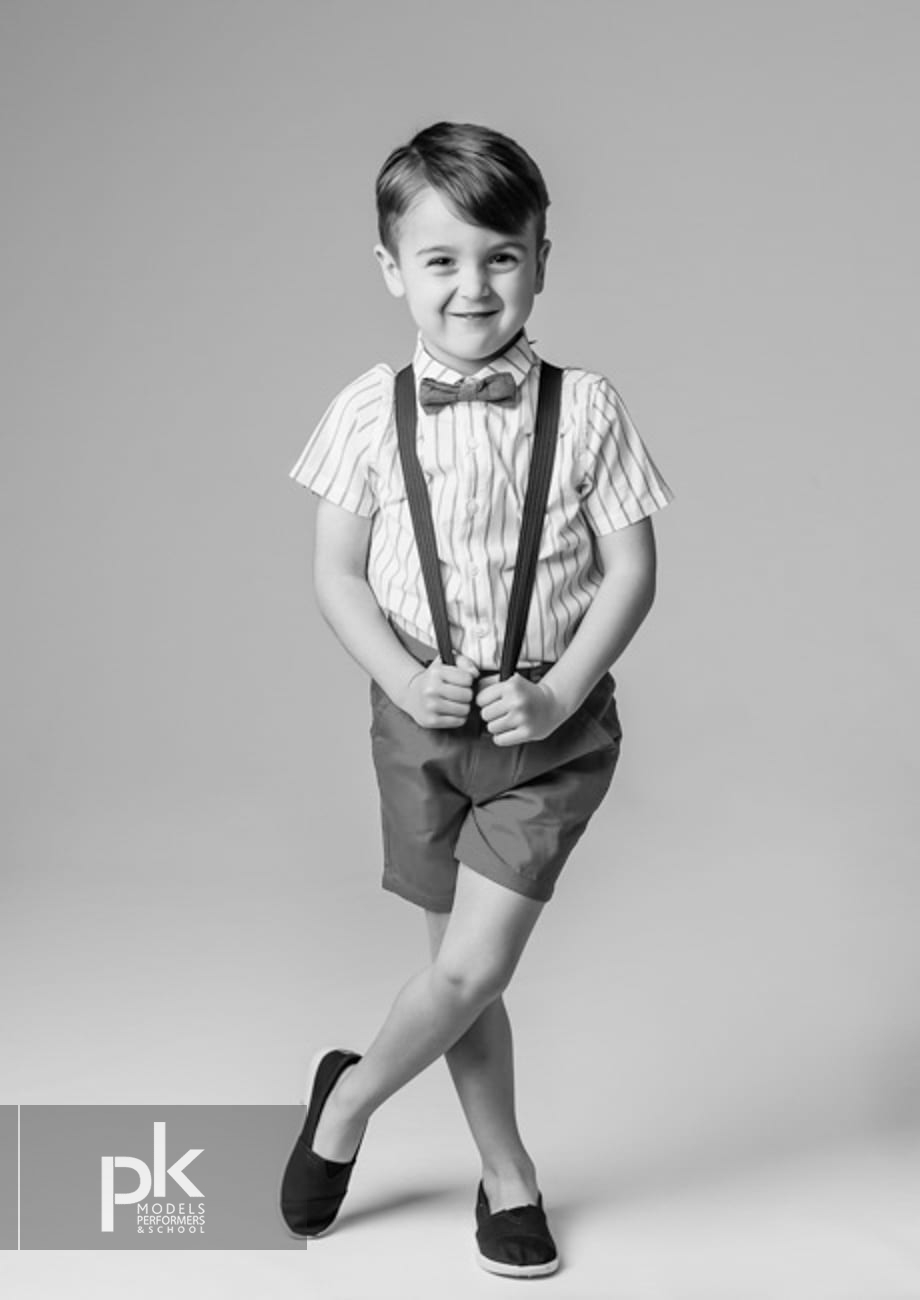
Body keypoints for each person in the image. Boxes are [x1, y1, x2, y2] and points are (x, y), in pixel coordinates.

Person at [280, 121, 673, 1278]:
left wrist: (556, 695)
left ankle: (345, 1104)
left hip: (547, 735)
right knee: (456, 974)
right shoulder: (367, 409)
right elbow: (336, 573)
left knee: (469, 969)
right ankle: (506, 1176)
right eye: (440, 260)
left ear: (540, 259)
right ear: (390, 269)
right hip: (417, 726)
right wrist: (405, 678)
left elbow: (632, 572)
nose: (472, 286)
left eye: (501, 256)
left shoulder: (586, 407)